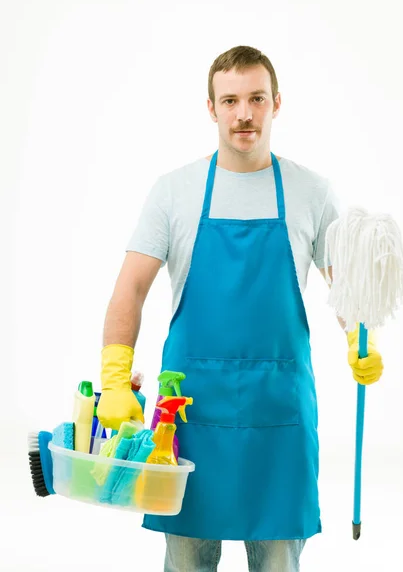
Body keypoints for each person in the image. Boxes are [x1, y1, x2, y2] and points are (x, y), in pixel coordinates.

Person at [97, 45, 384, 572]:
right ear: (211, 108)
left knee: (278, 560)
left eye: (256, 98)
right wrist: (113, 375)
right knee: (186, 559)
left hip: (280, 412)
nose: (244, 113)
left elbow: (347, 286)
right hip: (188, 413)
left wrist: (357, 337)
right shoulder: (173, 192)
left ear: (277, 103)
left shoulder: (314, 193)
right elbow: (131, 288)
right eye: (230, 100)